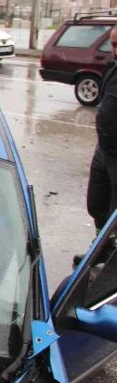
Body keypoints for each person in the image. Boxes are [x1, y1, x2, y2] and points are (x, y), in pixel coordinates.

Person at [85, 25, 117, 237]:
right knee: (97, 203)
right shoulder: (113, 67)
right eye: (114, 44)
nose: (116, 49)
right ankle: (102, 247)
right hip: (104, 149)